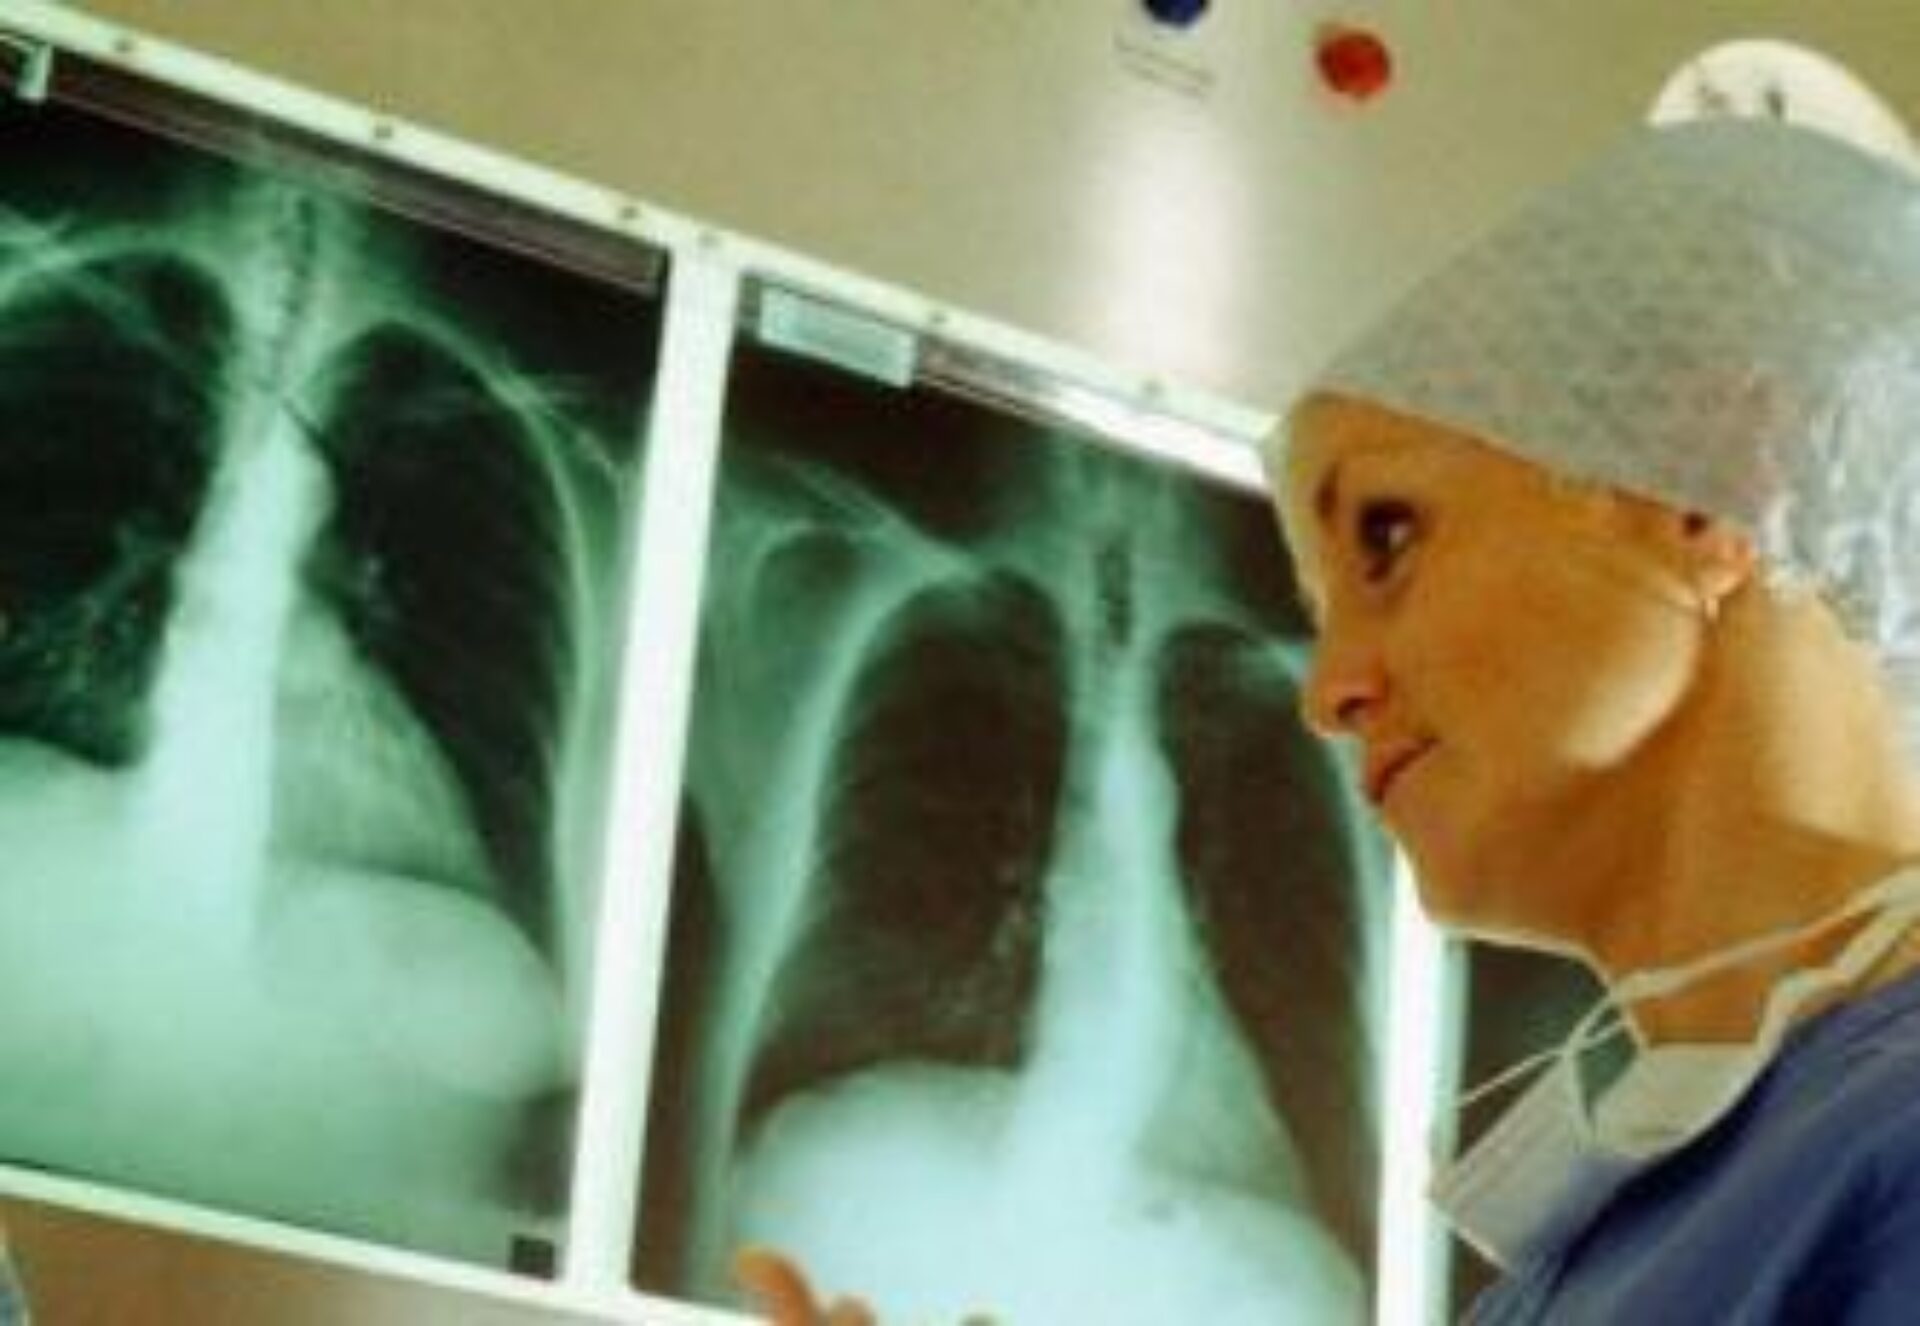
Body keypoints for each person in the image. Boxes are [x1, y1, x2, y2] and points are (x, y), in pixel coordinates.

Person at [742, 116, 1920, 1323]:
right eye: (1315, 612)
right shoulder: (1598, 1260)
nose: (1328, 691)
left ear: (1708, 484)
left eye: (1388, 538)